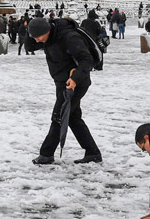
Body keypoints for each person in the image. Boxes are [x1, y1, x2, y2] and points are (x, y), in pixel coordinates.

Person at [27, 18, 102, 165]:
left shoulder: (69, 37)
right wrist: (29, 31)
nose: (37, 41)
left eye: (39, 37)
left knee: (59, 116)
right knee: (73, 118)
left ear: (47, 31)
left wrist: (75, 78)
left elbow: (86, 59)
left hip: (75, 83)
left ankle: (46, 154)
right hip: (61, 83)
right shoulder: (47, 37)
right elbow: (30, 47)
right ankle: (93, 152)